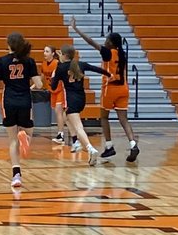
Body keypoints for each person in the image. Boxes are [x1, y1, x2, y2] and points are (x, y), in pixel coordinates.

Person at [71, 19, 139, 163]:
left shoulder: (108, 53)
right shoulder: (122, 54)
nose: (105, 41)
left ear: (112, 43)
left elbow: (91, 42)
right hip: (124, 88)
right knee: (123, 119)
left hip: (110, 88)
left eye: (107, 40)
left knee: (103, 117)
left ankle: (109, 146)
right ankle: (133, 144)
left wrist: (76, 30)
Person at [0, 32, 44, 189]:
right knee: (28, 131)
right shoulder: (29, 61)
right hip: (25, 100)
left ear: (8, 45)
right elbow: (39, 85)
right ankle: (26, 139)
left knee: (12, 141)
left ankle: (16, 176)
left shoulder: (1, 61)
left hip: (9, 101)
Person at [51, 45, 106, 165]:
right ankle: (75, 141)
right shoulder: (80, 64)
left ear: (64, 55)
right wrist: (109, 74)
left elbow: (53, 87)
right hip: (81, 99)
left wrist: (56, 71)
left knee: (78, 127)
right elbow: (96, 69)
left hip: (71, 100)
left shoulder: (61, 68)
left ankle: (90, 148)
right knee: (65, 116)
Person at [41, 45, 69, 146]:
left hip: (60, 89)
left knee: (58, 111)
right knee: (60, 113)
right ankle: (68, 131)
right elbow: (42, 78)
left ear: (53, 53)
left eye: (47, 51)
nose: (44, 53)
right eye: (44, 51)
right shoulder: (43, 64)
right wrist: (33, 86)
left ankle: (61, 134)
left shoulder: (57, 63)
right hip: (52, 91)